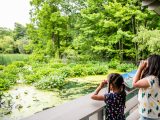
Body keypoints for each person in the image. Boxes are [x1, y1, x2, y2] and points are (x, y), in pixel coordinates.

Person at [133, 54, 160, 120]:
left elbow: (135, 83)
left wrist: (140, 68)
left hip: (148, 116)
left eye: (147, 62)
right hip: (154, 114)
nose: (144, 63)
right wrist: (143, 69)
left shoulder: (150, 79)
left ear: (151, 64)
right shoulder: (156, 78)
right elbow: (141, 79)